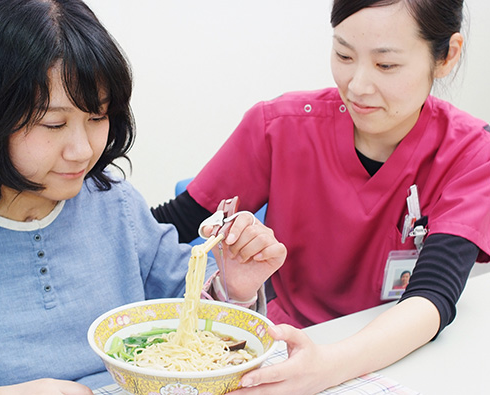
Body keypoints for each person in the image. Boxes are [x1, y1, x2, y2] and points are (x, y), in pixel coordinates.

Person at [0, 1, 287, 394]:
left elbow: (191, 320)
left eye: (97, 117)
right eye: (53, 123)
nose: (83, 151)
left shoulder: (114, 203)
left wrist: (233, 289)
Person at [152, 0, 490, 393]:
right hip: (283, 346)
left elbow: (433, 296)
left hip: (398, 353)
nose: (358, 85)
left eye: (386, 65)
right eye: (343, 54)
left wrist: (328, 367)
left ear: (447, 55)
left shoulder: (470, 153)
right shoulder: (279, 127)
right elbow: (172, 223)